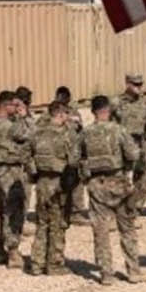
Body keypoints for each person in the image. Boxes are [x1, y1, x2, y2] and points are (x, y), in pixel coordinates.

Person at [79, 95, 146, 285]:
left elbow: (76, 158)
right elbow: (133, 154)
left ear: (93, 111)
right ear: (108, 110)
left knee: (100, 229)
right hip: (118, 183)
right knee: (126, 228)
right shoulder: (118, 130)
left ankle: (106, 273)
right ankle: (133, 271)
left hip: (96, 184)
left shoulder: (85, 133)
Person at [28, 100, 80, 275]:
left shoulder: (37, 132)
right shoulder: (67, 134)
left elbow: (26, 156)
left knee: (42, 223)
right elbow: (74, 160)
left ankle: (36, 263)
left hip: (42, 182)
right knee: (58, 224)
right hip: (60, 184)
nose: (68, 117)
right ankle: (54, 264)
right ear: (60, 114)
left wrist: (35, 174)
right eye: (66, 113)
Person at [0, 91, 32, 269]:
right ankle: (13, 252)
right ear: (6, 105)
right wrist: (24, 116)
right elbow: (30, 134)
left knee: (0, 210)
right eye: (14, 105)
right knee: (14, 211)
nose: (16, 108)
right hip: (10, 171)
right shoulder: (9, 126)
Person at [111, 74, 146, 219]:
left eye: (141, 84)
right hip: (122, 144)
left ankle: (135, 208)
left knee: (144, 175)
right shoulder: (116, 102)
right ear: (127, 84)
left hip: (141, 143)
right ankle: (119, 209)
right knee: (122, 177)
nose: (139, 87)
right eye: (135, 84)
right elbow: (109, 125)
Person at [55, 86, 89, 226]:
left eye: (66, 97)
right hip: (58, 153)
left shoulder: (74, 112)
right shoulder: (52, 112)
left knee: (77, 182)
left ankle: (76, 212)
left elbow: (80, 131)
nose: (63, 100)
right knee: (59, 184)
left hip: (74, 153)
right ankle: (61, 213)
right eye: (61, 97)